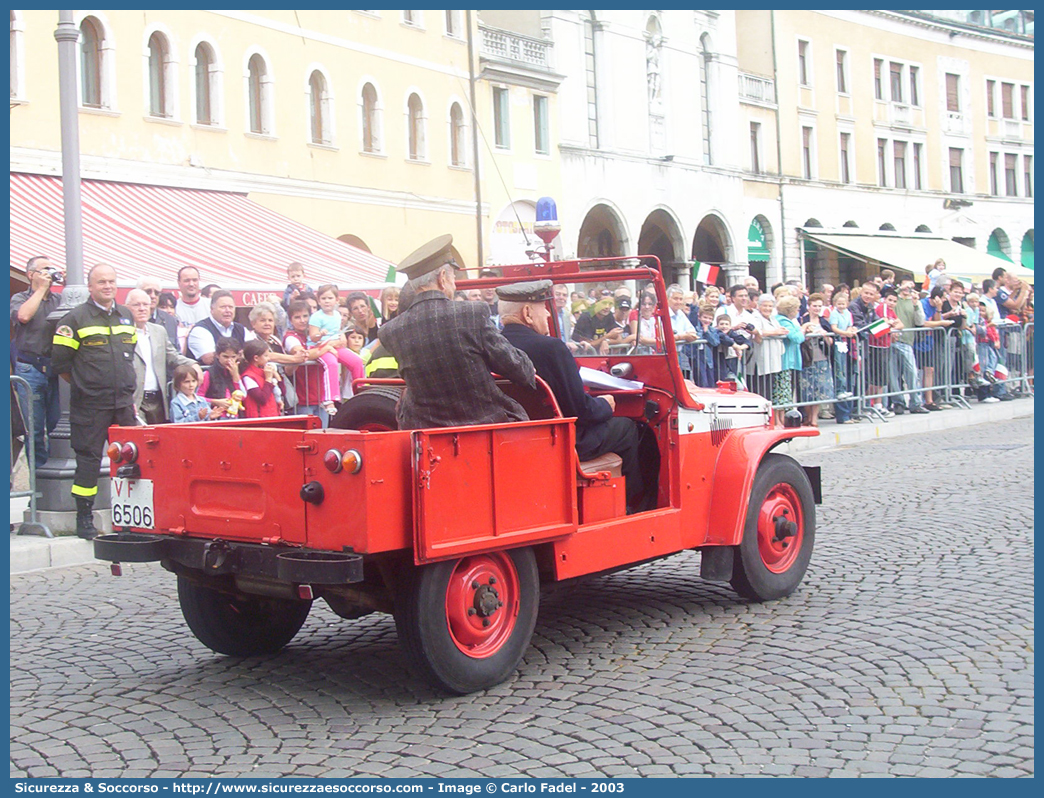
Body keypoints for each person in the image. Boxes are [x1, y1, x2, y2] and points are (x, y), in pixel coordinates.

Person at [498, 280, 646, 513]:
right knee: (630, 428)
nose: (548, 313)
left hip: (517, 438)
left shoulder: (495, 347)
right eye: (543, 307)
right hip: (564, 440)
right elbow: (581, 411)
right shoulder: (551, 348)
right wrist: (605, 404)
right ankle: (636, 507)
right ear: (527, 313)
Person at [377, 234, 536, 429]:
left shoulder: (390, 331)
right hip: (487, 427)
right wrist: (528, 368)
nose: (455, 284)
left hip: (426, 432)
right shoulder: (472, 313)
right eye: (453, 277)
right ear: (442, 278)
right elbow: (517, 369)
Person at [50, 263, 138, 539]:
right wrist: (88, 386)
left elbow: (130, 355)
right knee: (87, 462)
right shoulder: (74, 320)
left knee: (133, 461)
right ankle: (84, 518)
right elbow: (61, 365)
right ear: (90, 287)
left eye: (111, 281)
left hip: (122, 404)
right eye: (101, 282)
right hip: (89, 405)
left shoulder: (126, 316)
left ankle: (131, 516)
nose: (108, 286)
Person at [11, 256, 63, 470]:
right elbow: (23, 316)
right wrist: (40, 290)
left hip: (54, 367)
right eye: (44, 270)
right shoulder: (19, 297)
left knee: (55, 422)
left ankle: (50, 467)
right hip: (29, 367)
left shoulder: (58, 300)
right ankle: (39, 475)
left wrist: (69, 286)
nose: (49, 274)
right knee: (33, 427)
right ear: (31, 275)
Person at [124, 288, 199, 425]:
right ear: (126, 308)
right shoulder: (121, 333)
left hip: (158, 399)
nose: (142, 309)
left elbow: (173, 356)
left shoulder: (158, 331)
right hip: (135, 400)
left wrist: (193, 364)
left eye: (145, 305)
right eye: (136, 305)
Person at [310, 284, 367, 414]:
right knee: (331, 364)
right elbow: (313, 337)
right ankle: (330, 399)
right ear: (319, 301)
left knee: (357, 361)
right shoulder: (316, 317)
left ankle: (361, 392)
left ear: (336, 300)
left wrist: (341, 337)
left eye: (330, 298)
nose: (327, 301)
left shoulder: (337, 315)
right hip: (321, 346)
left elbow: (338, 331)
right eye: (323, 298)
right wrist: (321, 334)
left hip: (335, 344)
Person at [746, 294, 787, 424]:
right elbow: (757, 332)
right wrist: (776, 332)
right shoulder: (755, 317)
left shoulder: (773, 319)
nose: (767, 308)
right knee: (760, 391)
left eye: (770, 306)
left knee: (769, 391)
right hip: (760, 361)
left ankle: (769, 420)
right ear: (759, 306)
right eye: (765, 305)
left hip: (772, 361)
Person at [186, 290, 254, 364]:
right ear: (212, 310)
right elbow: (209, 359)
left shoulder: (241, 329)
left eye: (231, 307)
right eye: (223, 307)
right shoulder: (200, 330)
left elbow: (255, 352)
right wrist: (241, 355)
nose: (228, 310)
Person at [892, 279, 928, 415]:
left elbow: (920, 321)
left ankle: (915, 402)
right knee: (893, 374)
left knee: (911, 373)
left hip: (907, 341)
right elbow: (889, 295)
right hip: (892, 340)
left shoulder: (915, 301)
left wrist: (916, 305)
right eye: (906, 285)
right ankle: (898, 402)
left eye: (911, 286)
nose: (908, 288)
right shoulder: (894, 299)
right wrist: (900, 288)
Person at [798, 293, 834, 427]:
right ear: (809, 306)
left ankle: (814, 419)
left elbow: (831, 342)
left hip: (821, 357)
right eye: (814, 306)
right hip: (806, 358)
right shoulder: (802, 320)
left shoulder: (824, 321)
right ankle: (808, 416)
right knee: (807, 389)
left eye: (819, 306)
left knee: (819, 389)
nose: (817, 308)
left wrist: (824, 335)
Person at [828, 292, 858, 424]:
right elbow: (834, 328)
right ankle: (842, 415)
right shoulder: (834, 314)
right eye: (839, 303)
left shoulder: (848, 313)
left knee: (849, 376)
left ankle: (849, 413)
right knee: (840, 374)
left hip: (848, 344)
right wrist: (846, 333)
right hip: (839, 342)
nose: (841, 306)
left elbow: (850, 325)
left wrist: (851, 330)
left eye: (843, 303)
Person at [775, 295, 805, 425]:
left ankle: (782, 420)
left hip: (789, 360)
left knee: (785, 392)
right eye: (797, 309)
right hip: (785, 360)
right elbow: (796, 338)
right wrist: (803, 329)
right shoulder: (784, 321)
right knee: (781, 392)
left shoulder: (786, 321)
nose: (798, 311)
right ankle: (778, 421)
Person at [199, 337, 244, 416]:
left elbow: (244, 396)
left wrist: (236, 376)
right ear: (217, 355)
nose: (229, 361)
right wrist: (215, 401)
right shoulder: (209, 373)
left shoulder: (239, 370)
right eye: (225, 357)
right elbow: (199, 398)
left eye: (233, 357)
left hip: (235, 415)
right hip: (216, 416)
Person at [240, 339, 283, 418]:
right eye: (266, 356)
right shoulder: (248, 376)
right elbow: (262, 398)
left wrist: (276, 375)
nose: (268, 359)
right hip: (258, 417)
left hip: (272, 414)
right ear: (256, 358)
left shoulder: (265, 371)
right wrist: (268, 379)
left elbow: (283, 391)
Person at [666, 284, 699, 377]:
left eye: (681, 299)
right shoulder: (663, 314)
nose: (678, 302)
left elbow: (692, 332)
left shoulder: (680, 313)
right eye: (675, 298)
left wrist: (680, 336)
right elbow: (665, 337)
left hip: (678, 355)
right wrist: (683, 336)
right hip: (665, 357)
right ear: (667, 299)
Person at [136, 276, 179, 343]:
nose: (153, 296)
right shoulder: (128, 317)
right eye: (148, 291)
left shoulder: (170, 320)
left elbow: (175, 349)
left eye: (156, 293)